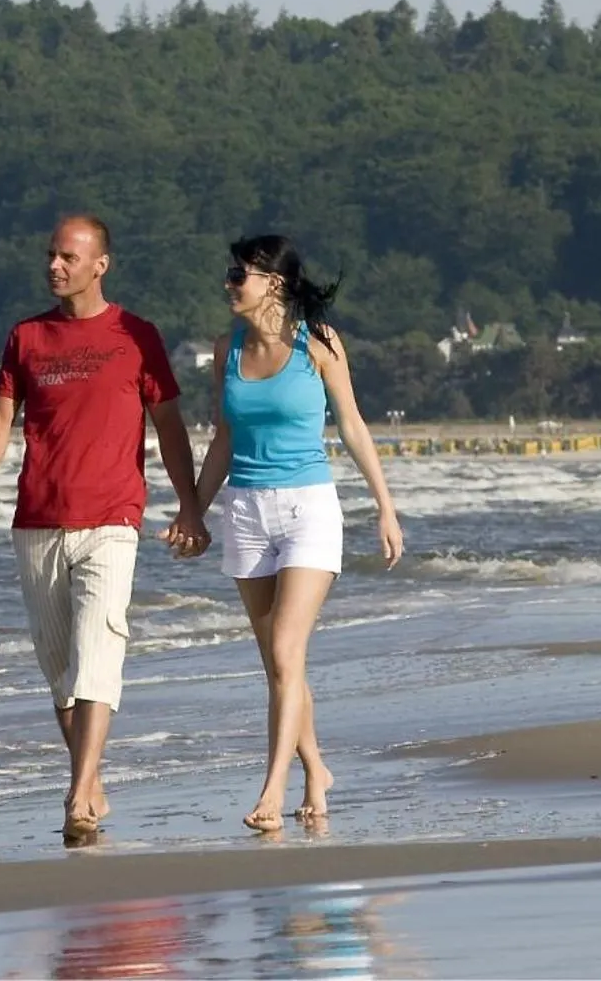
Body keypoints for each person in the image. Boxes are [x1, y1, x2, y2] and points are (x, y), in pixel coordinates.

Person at [0, 215, 206, 841]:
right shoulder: (27, 336)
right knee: (61, 672)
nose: (54, 266)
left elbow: (169, 425)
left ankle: (76, 793)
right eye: (51, 255)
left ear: (101, 265)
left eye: (68, 257)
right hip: (37, 518)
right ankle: (90, 779)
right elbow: (1, 412)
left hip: (113, 518)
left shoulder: (136, 336)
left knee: (99, 650)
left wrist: (189, 505)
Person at [169, 234, 403, 833]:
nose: (228, 284)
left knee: (284, 654)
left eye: (238, 274)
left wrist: (385, 507)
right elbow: (223, 439)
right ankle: (316, 769)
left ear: (273, 282)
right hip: (246, 512)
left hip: (308, 509)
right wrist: (193, 510)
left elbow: (352, 425)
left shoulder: (318, 342)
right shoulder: (226, 349)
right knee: (281, 666)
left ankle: (272, 787)